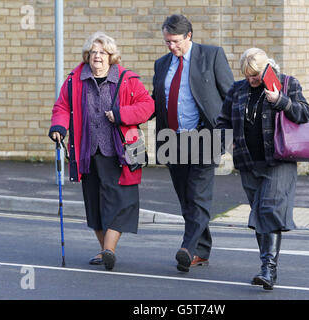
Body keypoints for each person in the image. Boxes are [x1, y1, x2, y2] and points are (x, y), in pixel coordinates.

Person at [49, 32, 154, 271]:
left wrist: (120, 115)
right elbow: (62, 106)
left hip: (123, 149)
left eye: (102, 52)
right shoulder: (75, 80)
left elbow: (147, 106)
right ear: (87, 56)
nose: (97, 57)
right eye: (93, 52)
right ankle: (106, 249)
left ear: (111, 56)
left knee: (121, 200)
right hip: (88, 150)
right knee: (94, 201)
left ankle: (109, 249)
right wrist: (58, 126)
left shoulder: (127, 79)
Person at [216, 48, 309, 290]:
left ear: (267, 68)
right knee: (259, 214)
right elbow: (223, 120)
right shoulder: (237, 90)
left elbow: (304, 114)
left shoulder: (287, 84)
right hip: (248, 161)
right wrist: (224, 144)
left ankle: (268, 269)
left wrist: (281, 101)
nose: (252, 79)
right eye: (247, 75)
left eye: (256, 74)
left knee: (268, 209)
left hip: (279, 159)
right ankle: (266, 267)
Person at [152, 14, 234, 272]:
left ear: (189, 36)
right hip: (171, 139)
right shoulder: (162, 63)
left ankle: (187, 248)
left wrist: (230, 134)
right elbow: (155, 102)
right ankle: (202, 249)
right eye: (167, 41)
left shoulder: (211, 56)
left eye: (175, 41)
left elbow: (230, 94)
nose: (171, 46)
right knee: (186, 198)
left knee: (198, 194)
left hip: (205, 136)